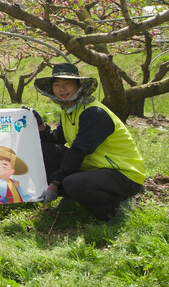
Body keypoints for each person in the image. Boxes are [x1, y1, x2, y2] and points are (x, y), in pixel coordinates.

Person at [34, 62, 145, 221]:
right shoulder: (69, 111)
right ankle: (74, 196)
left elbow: (78, 151)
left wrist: (56, 182)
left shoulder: (93, 112)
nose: (62, 89)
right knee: (45, 150)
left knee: (73, 183)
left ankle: (117, 207)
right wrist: (41, 127)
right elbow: (57, 139)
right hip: (95, 168)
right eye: (57, 85)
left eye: (67, 83)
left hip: (123, 174)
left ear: (78, 86)